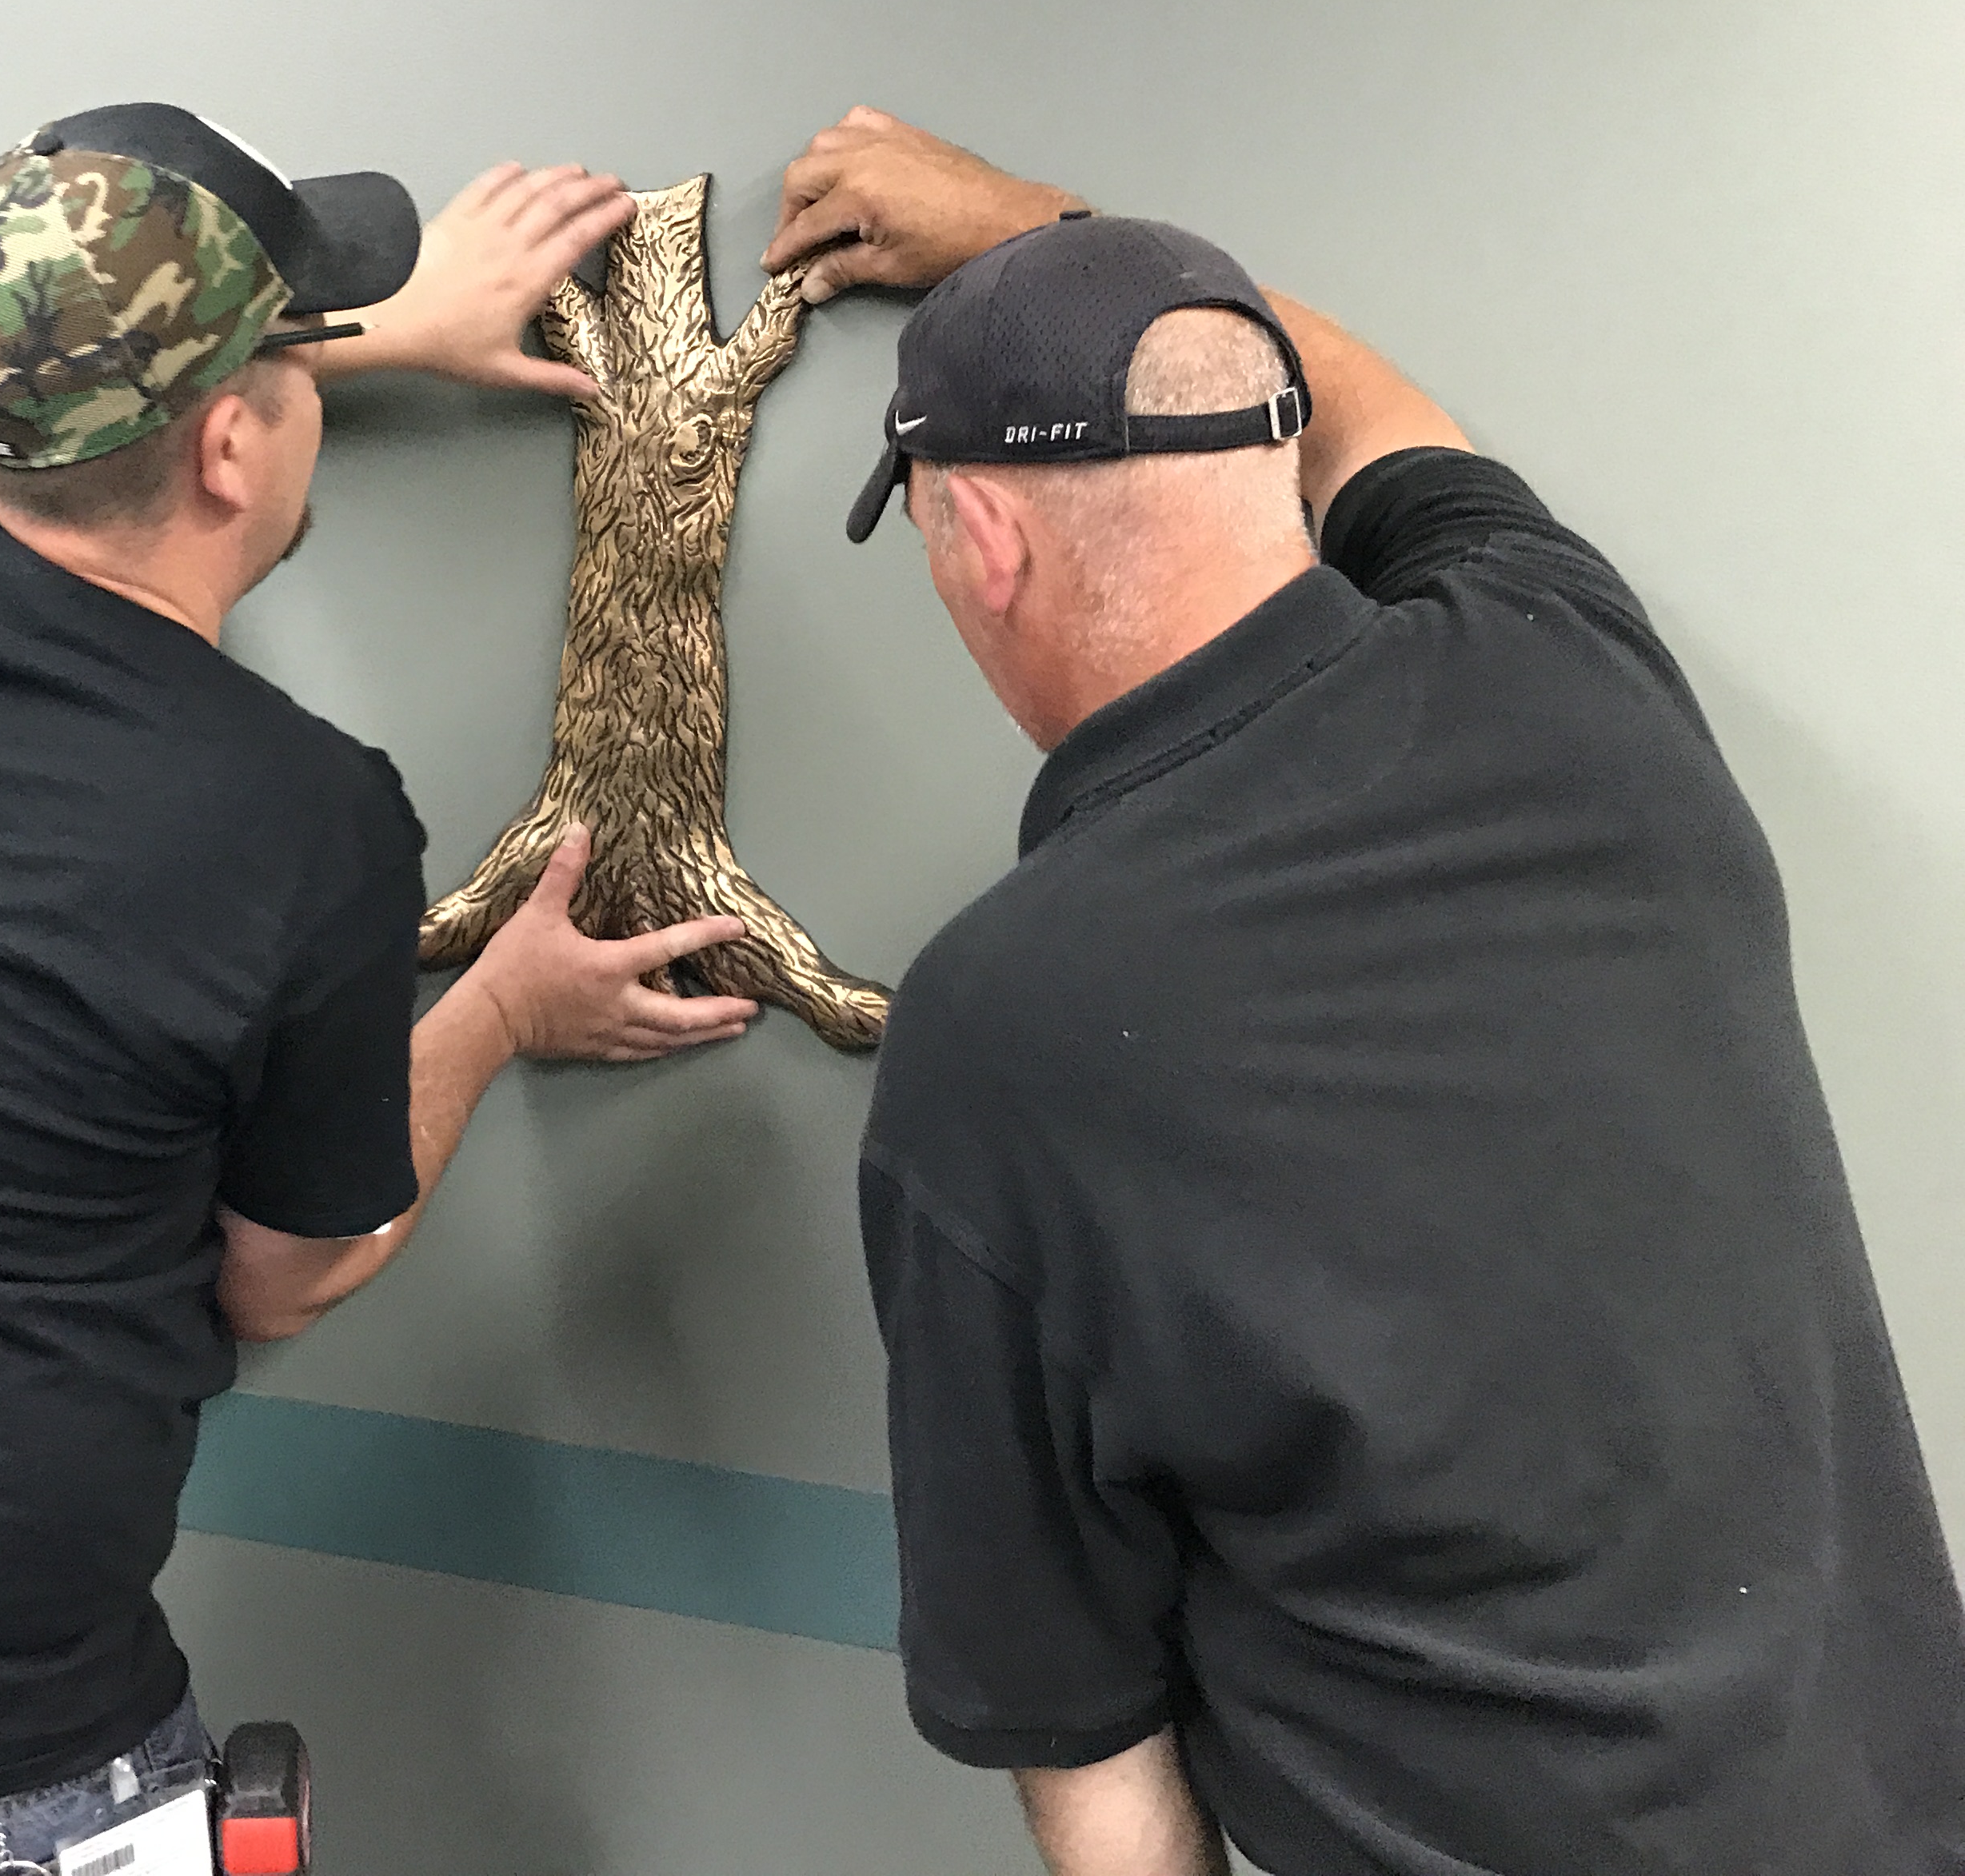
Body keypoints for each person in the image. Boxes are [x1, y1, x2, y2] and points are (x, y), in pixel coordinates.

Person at [0, 103, 759, 1876]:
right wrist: (497, 1010)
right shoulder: (301, 822)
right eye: (292, 356)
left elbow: (29, 333)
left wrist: (372, 332)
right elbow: (287, 1273)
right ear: (234, 444)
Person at [763, 107, 1965, 1876]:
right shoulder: (1571, 661)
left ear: (978, 543)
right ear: (1275, 467)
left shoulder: (999, 1030)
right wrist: (1036, 229)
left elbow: (1090, 1739)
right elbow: (1379, 411)